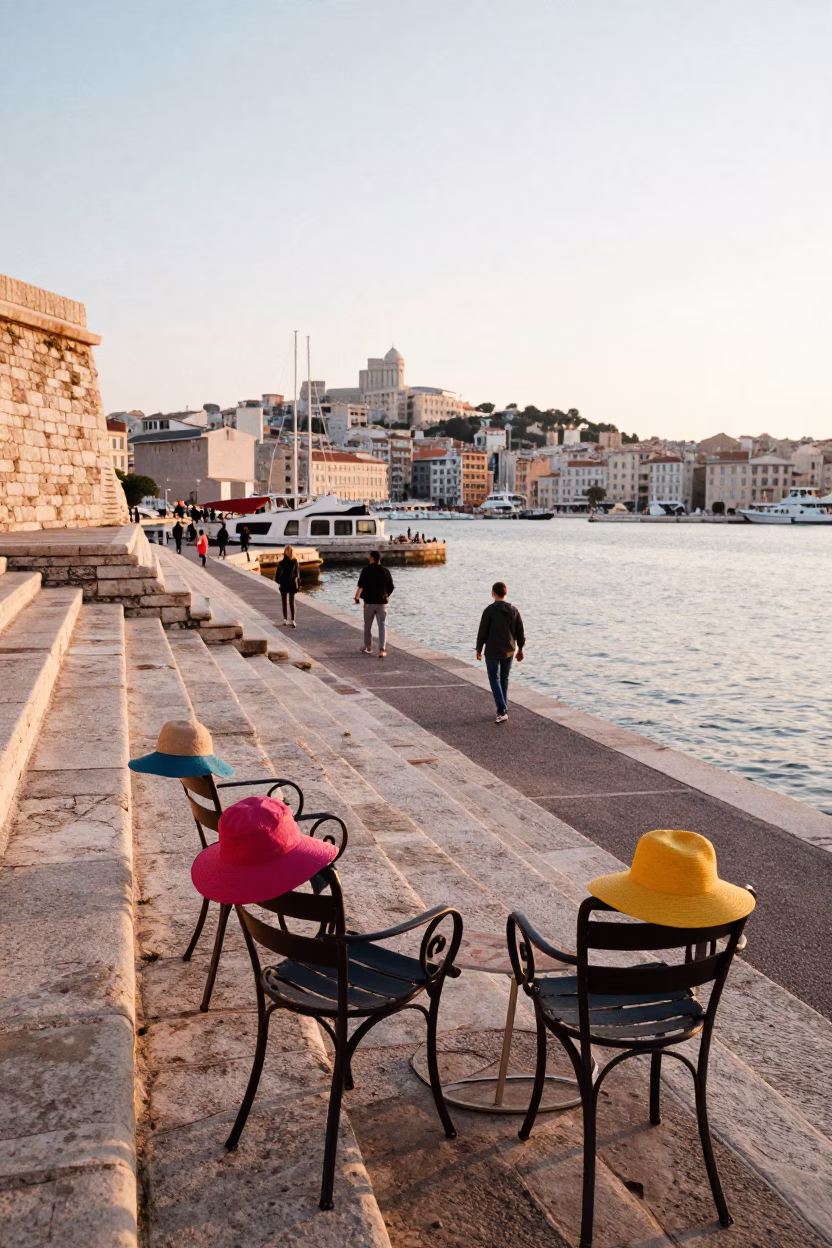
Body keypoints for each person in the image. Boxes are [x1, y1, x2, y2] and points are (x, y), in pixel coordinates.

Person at [475, 581, 525, 724]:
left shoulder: (489, 611)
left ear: (493, 593)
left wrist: (479, 649)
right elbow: (520, 632)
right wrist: (521, 649)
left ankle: (502, 710)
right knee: (504, 678)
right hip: (509, 650)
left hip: (492, 650)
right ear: (505, 593)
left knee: (494, 679)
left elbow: (482, 632)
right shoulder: (514, 611)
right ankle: (503, 709)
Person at [354, 550, 394, 658]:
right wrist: (386, 595)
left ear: (372, 558)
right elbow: (391, 587)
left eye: (369, 557)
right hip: (382, 602)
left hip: (369, 602)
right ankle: (382, 650)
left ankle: (368, 647)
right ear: (379, 559)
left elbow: (361, 586)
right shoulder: (385, 571)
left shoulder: (366, 570)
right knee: (382, 625)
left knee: (367, 625)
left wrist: (356, 598)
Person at [276, 545, 301, 627]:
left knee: (286, 602)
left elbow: (277, 576)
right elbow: (297, 575)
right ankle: (290, 620)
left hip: (285, 583)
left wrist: (279, 581)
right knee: (290, 602)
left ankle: (287, 620)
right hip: (291, 583)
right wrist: (298, 585)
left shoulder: (282, 563)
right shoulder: (294, 562)